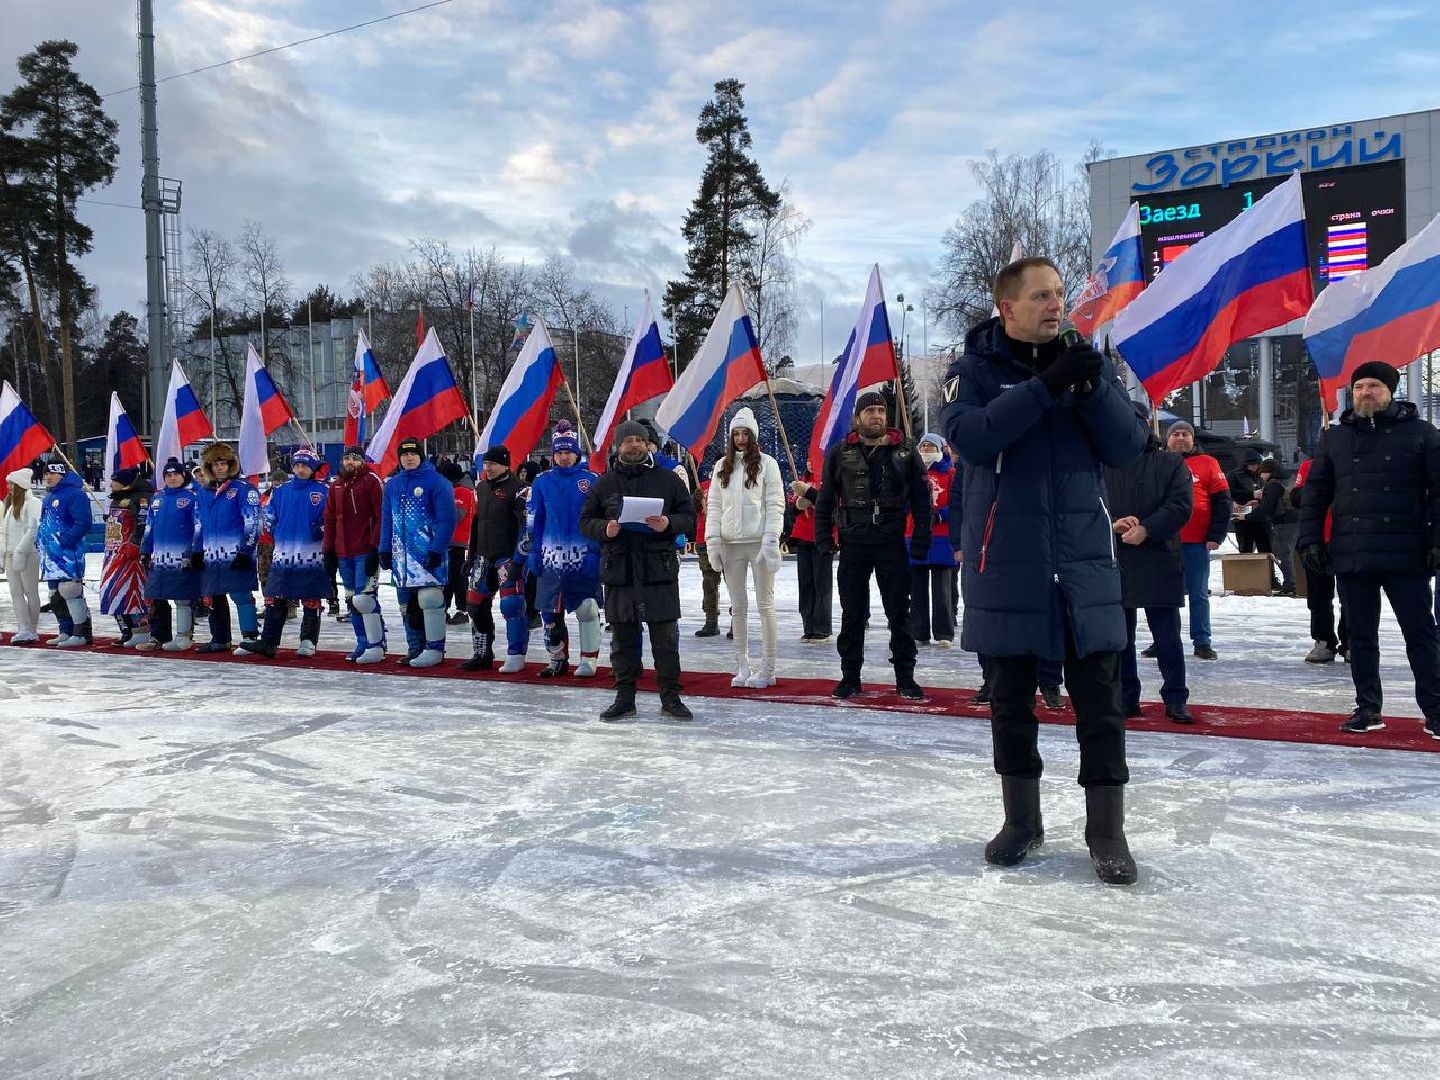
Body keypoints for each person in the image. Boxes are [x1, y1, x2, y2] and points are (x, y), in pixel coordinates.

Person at [942, 255, 1148, 886]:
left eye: (1058, 293)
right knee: (1010, 703)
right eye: (1040, 296)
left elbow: (1127, 445)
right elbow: (973, 438)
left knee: (1101, 707)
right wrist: (1045, 385)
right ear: (1007, 308)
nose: (1056, 304)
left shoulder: (1088, 362)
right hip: (1005, 563)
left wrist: (1091, 389)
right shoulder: (973, 371)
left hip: (1083, 563)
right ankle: (1021, 822)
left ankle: (1106, 832)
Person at [1297, 360, 1440, 740]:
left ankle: (1435, 709)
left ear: (1390, 390)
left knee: (1421, 634)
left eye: (1373, 386)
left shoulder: (1422, 434)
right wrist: (1310, 539)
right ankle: (1368, 707)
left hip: (1407, 552)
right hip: (1353, 552)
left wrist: (1437, 541)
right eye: (1359, 387)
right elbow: (1316, 494)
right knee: (1360, 637)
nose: (1365, 393)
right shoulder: (1336, 437)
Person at [815, 391, 931, 700]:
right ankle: (850, 677)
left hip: (891, 543)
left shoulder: (905, 451)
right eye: (870, 411)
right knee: (852, 613)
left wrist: (922, 540)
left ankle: (905, 677)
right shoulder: (840, 453)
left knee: (899, 613)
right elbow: (826, 499)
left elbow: (922, 501)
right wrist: (823, 538)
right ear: (858, 418)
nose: (876, 415)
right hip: (853, 542)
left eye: (880, 410)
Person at [579, 419, 696, 721]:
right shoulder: (604, 483)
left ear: (647, 444)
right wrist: (605, 528)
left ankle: (670, 697)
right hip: (620, 570)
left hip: (658, 569)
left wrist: (669, 523)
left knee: (666, 640)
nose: (634, 445)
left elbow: (689, 517)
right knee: (623, 641)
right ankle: (624, 697)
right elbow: (586, 521)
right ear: (619, 446)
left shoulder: (668, 480)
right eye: (628, 441)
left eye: (639, 440)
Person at [1104, 418, 1194, 723]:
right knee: (1121, 638)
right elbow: (1092, 504)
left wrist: (1147, 529)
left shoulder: (1170, 463)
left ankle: (1176, 697)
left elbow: (1180, 504)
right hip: (1118, 556)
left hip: (1159, 555)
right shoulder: (1105, 463)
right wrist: (1112, 523)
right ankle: (1126, 696)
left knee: (1167, 636)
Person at [706, 407, 785, 687]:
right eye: (736, 434)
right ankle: (742, 665)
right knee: (738, 608)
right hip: (731, 545)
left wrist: (771, 537)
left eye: (745, 433)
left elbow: (775, 503)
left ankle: (768, 668)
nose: (740, 439)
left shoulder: (768, 464)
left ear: (753, 435)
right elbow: (714, 506)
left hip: (760, 543)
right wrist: (713, 541)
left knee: (765, 606)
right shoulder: (721, 467)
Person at [522, 420, 603, 678]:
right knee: (550, 612)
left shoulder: (591, 480)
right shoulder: (542, 481)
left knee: (587, 608)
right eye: (559, 452)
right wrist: (534, 550)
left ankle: (589, 659)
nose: (564, 457)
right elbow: (534, 518)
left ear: (576, 453)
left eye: (568, 451)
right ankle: (557, 658)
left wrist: (595, 552)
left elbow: (599, 519)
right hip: (550, 557)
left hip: (583, 556)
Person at [239, 448, 329, 658]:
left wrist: (321, 529)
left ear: (313, 468)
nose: (301, 469)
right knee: (275, 596)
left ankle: (308, 641)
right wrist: (274, 529)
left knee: (310, 597)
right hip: (283, 554)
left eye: (305, 465)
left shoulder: (324, 490)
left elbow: (330, 517)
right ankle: (269, 642)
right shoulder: (281, 491)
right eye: (297, 465)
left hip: (311, 554)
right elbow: (269, 515)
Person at [379, 435, 455, 668]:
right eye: (404, 454)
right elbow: (387, 519)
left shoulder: (437, 482)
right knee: (406, 605)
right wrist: (384, 549)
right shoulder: (392, 485)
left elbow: (447, 519)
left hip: (428, 554)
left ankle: (434, 648)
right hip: (402, 558)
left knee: (430, 600)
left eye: (413, 453)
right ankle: (415, 648)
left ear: (421, 456)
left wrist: (437, 549)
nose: (409, 458)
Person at [1162, 421, 1229, 661]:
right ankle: (1163, 639)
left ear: (1193, 439)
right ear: (1167, 439)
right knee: (1163, 595)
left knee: (1198, 593)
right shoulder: (1159, 462)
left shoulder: (1208, 463)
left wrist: (1216, 535)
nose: (1181, 438)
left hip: (1197, 542)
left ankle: (1202, 641)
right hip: (1163, 541)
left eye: (1185, 434)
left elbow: (1222, 502)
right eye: (1176, 434)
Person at [462, 444, 528, 672]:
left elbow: (525, 528)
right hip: (483, 556)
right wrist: (470, 556)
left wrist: (519, 559)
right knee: (474, 604)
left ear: (505, 465)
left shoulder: (519, 489)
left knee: (512, 605)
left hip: (507, 558)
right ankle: (481, 654)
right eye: (486, 464)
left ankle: (516, 654)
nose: (487, 468)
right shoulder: (480, 488)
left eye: (492, 464)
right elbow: (475, 524)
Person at [195, 442, 262, 653]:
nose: (220, 468)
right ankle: (220, 639)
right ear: (209, 467)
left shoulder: (243, 489)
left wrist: (245, 552)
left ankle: (250, 638)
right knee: (214, 596)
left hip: (236, 553)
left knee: (241, 595)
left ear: (231, 465)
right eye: (215, 464)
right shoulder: (204, 492)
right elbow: (198, 523)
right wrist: (196, 550)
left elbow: (254, 522)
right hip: (211, 555)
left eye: (223, 463)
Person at [324, 446, 387, 664]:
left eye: (355, 458)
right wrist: (328, 551)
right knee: (352, 600)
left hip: (364, 550)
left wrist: (375, 548)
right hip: (343, 552)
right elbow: (330, 519)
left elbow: (380, 517)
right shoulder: (336, 485)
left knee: (365, 599)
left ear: (362, 461)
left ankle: (376, 643)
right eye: (347, 458)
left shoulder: (371, 481)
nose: (350, 462)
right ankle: (362, 642)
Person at [138, 457, 203, 652]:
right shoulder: (157, 498)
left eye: (176, 474)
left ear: (184, 476)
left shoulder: (192, 498)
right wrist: (145, 550)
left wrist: (196, 551)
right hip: (159, 559)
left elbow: (199, 527)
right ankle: (158, 637)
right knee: (156, 597)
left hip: (182, 557)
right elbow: (149, 527)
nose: (172, 478)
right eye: (168, 474)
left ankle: (184, 636)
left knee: (182, 598)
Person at [1291, 457, 1346, 663]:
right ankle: (1323, 640)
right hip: (1317, 539)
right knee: (1318, 597)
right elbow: (1296, 498)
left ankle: (1351, 641)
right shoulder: (1310, 466)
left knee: (1351, 595)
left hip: (1348, 538)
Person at [38, 461, 94, 647]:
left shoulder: (76, 494)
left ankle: (81, 632)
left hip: (69, 555)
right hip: (51, 556)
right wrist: (40, 541)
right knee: (55, 595)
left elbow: (83, 522)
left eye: (52, 473)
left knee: (70, 591)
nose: (48, 477)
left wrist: (65, 541)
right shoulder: (49, 496)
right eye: (46, 474)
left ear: (62, 475)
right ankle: (65, 630)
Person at [908, 432, 956, 648]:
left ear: (939, 449)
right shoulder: (911, 473)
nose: (926, 449)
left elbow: (957, 502)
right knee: (916, 589)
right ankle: (919, 632)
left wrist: (940, 515)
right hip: (915, 535)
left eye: (930, 445)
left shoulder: (950, 473)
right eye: (923, 445)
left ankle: (944, 632)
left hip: (941, 537)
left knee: (942, 591)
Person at [99, 467, 154, 647]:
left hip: (131, 556)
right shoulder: (116, 499)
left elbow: (142, 524)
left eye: (114, 481)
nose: (111, 484)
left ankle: (141, 629)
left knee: (132, 592)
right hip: (114, 554)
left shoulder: (141, 498)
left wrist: (135, 544)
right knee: (112, 591)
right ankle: (126, 630)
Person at [786, 466, 833, 644]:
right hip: (803, 536)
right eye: (807, 459)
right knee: (805, 583)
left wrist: (811, 494)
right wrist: (798, 505)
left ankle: (822, 627)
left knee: (821, 583)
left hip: (822, 536)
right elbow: (791, 510)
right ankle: (809, 625)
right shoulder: (802, 480)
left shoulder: (829, 478)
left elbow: (831, 503)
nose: (809, 463)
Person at [1, 467, 42, 642]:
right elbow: (4, 532)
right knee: (15, 592)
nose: (8, 487)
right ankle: (22, 627)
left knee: (30, 591)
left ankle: (32, 629)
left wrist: (20, 551)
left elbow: (33, 529)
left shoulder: (33, 503)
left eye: (11, 484)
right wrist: (3, 554)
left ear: (20, 485)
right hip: (10, 554)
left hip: (27, 554)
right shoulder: (10, 505)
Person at [438, 459, 475, 624]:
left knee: (457, 577)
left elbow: (457, 515)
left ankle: (462, 609)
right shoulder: (459, 490)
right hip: (451, 540)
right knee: (449, 576)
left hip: (457, 540)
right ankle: (445, 607)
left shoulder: (461, 491)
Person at [1252, 459, 1297, 594]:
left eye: (1262, 473)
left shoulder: (1273, 485)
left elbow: (1267, 509)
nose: (1261, 476)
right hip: (1297, 519)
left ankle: (1290, 585)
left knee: (1284, 554)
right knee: (1292, 554)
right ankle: (1298, 583)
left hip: (1284, 522)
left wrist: (1248, 516)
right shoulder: (1288, 479)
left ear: (1268, 472)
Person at [693, 464, 723, 637]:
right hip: (705, 540)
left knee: (734, 582)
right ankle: (711, 620)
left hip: (728, 539)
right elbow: (689, 509)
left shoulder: (733, 485)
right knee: (709, 582)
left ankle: (737, 620)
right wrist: (695, 499)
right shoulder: (702, 486)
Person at [1229, 449, 1268, 554]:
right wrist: (1252, 494)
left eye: (1256, 464)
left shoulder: (1261, 475)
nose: (1254, 467)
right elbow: (1228, 492)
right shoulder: (1235, 475)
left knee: (1265, 549)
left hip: (1260, 516)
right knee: (1246, 549)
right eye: (1251, 465)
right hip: (1242, 516)